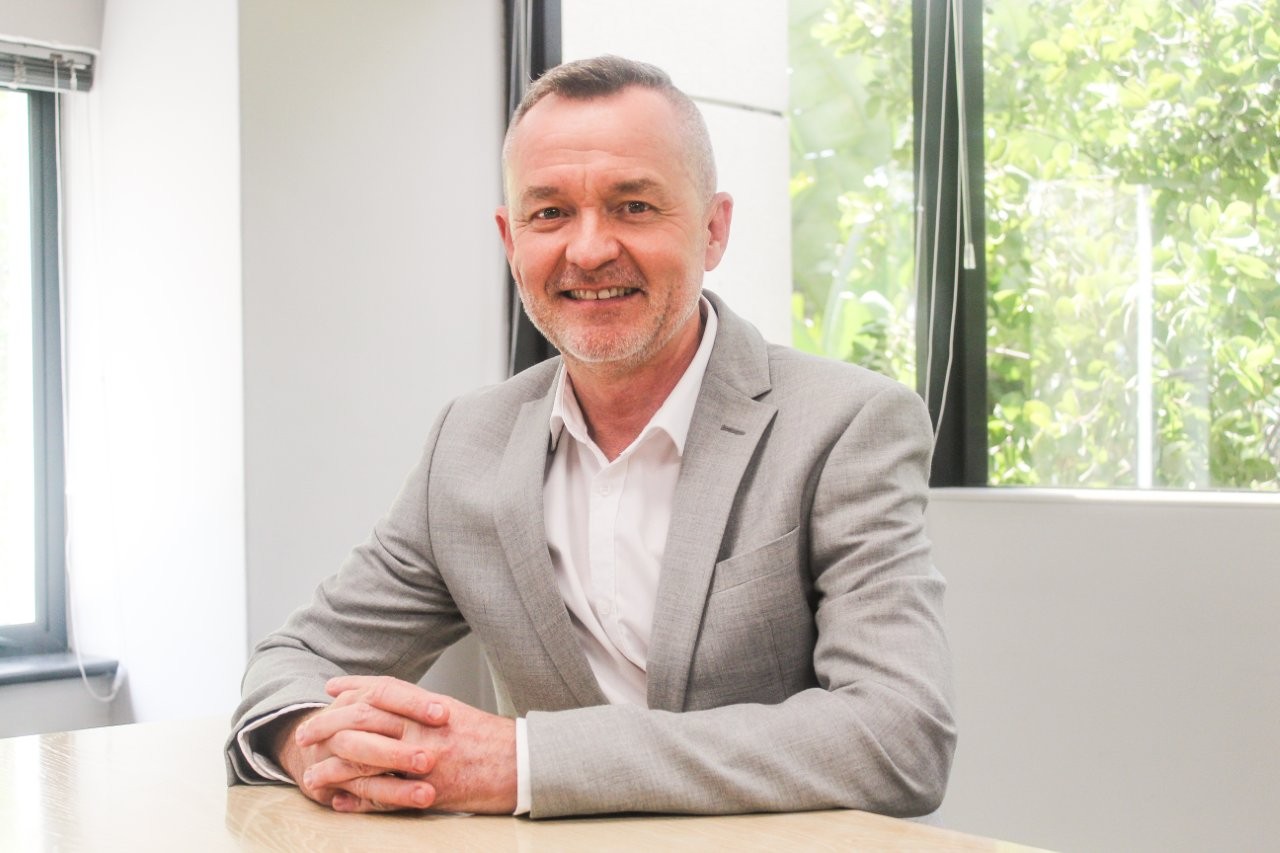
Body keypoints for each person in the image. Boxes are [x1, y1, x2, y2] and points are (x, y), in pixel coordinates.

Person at [226, 55, 955, 820]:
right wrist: (314, 739)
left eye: (633, 206)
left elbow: (899, 734)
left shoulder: (846, 424)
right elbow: (294, 661)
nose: (588, 250)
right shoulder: (468, 444)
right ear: (510, 241)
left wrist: (525, 762)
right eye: (549, 214)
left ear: (713, 229)